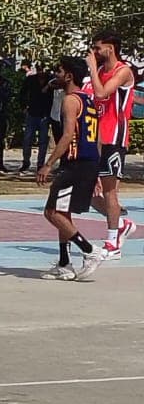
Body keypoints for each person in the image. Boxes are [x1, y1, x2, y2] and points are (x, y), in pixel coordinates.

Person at [37, 57, 106, 281]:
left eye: (59, 71)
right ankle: (65, 264)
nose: (55, 74)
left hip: (76, 163)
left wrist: (48, 164)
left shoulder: (70, 100)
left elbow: (67, 136)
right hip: (87, 162)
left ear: (69, 76)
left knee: (51, 212)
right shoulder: (89, 100)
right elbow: (98, 139)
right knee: (63, 211)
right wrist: (96, 170)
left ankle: (89, 250)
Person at [85, 31, 137, 258]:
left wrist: (91, 68)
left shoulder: (123, 71)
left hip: (114, 137)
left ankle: (112, 241)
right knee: (88, 189)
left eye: (98, 47)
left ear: (111, 48)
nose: (95, 52)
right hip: (97, 137)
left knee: (109, 191)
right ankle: (122, 224)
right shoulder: (99, 72)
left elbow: (101, 92)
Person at [19, 64, 52, 174]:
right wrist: (23, 107)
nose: (41, 72)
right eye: (39, 69)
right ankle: (26, 162)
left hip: (45, 114)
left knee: (43, 141)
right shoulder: (30, 79)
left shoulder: (51, 80)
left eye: (42, 69)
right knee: (27, 139)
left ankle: (40, 164)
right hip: (32, 112)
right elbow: (22, 93)